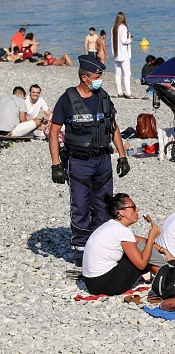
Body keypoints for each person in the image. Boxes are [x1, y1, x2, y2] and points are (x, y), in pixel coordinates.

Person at [49, 55, 130, 267]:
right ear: (85, 77)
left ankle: (102, 249)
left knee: (105, 207)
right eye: (97, 76)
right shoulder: (67, 100)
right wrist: (56, 164)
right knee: (81, 208)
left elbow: (113, 127)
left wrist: (122, 156)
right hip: (79, 162)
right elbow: (54, 131)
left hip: (103, 160)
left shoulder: (103, 97)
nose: (100, 79)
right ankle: (80, 253)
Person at [82, 193, 173, 295]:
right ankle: (170, 277)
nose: (137, 209)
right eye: (133, 207)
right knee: (142, 254)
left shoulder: (110, 226)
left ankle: (167, 272)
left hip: (91, 284)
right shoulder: (123, 231)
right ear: (122, 212)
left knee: (141, 248)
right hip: (105, 284)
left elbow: (140, 240)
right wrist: (151, 238)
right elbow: (142, 264)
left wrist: (163, 250)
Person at [111, 12, 136, 99]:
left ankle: (120, 92)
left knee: (118, 74)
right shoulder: (123, 27)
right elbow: (124, 40)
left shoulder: (114, 28)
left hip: (116, 53)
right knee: (127, 73)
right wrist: (130, 40)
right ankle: (128, 93)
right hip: (124, 53)